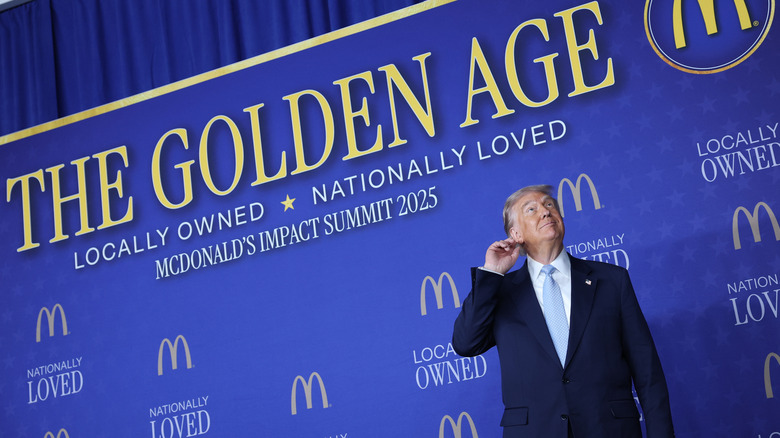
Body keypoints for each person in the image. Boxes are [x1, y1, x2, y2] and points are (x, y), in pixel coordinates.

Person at [452, 185, 674, 438]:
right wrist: (491, 274)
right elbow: (465, 343)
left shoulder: (612, 280)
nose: (546, 212)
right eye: (531, 209)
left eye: (549, 205)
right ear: (515, 233)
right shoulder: (499, 292)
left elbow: (647, 371)